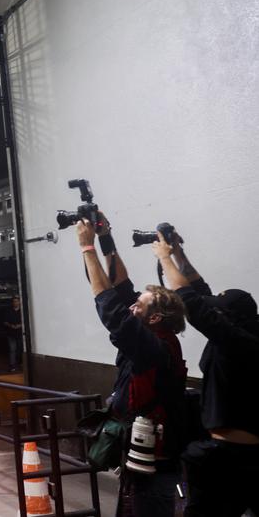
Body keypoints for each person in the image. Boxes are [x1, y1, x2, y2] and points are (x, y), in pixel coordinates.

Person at [76, 215, 187, 517]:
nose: (131, 305)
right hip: (141, 457)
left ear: (154, 318)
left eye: (139, 305)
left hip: (155, 464)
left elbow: (112, 309)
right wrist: (105, 238)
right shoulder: (154, 336)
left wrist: (87, 248)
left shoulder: (154, 347)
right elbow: (122, 288)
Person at [152, 234, 259, 517]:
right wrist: (179, 253)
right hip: (235, 453)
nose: (215, 314)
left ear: (230, 318)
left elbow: (194, 305)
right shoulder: (242, 334)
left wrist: (164, 257)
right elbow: (200, 293)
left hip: (229, 456)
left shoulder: (239, 343)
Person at [2, 295, 23, 372]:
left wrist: (20, 325)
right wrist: (11, 325)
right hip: (11, 334)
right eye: (14, 301)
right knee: (12, 349)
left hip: (20, 334)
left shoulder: (22, 311)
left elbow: (26, 321)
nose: (15, 303)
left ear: (19, 302)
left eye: (17, 301)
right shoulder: (8, 311)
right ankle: (12, 365)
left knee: (20, 349)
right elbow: (4, 322)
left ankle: (20, 362)